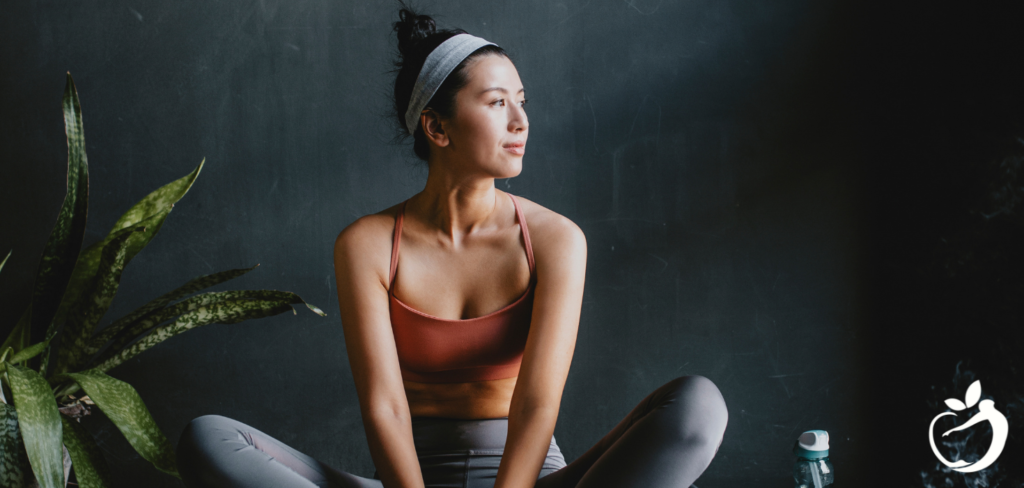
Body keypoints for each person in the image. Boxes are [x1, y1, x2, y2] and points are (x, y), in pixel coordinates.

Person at [176, 7, 728, 488]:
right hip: (409, 482)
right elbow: (385, 407)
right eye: (496, 103)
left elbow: (536, 406)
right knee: (209, 440)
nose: (521, 121)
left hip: (530, 480)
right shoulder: (367, 244)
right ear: (437, 128)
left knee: (697, 408)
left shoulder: (556, 239)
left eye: (522, 100)